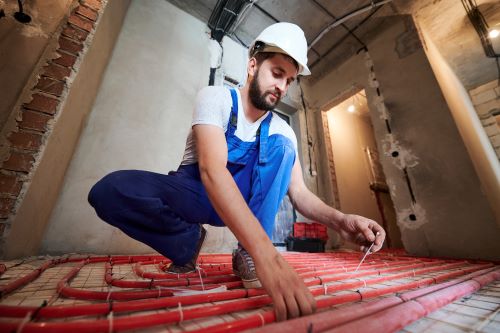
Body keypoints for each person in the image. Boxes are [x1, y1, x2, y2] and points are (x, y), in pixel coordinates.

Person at [88, 22, 386, 321]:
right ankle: (187, 242)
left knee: (283, 146)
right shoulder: (215, 98)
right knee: (110, 191)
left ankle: (246, 252)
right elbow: (211, 170)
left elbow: (299, 194)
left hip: (245, 201)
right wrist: (267, 255)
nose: (282, 87)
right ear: (253, 66)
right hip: (197, 192)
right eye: (277, 74)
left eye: (290, 80)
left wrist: (342, 220)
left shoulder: (282, 132)